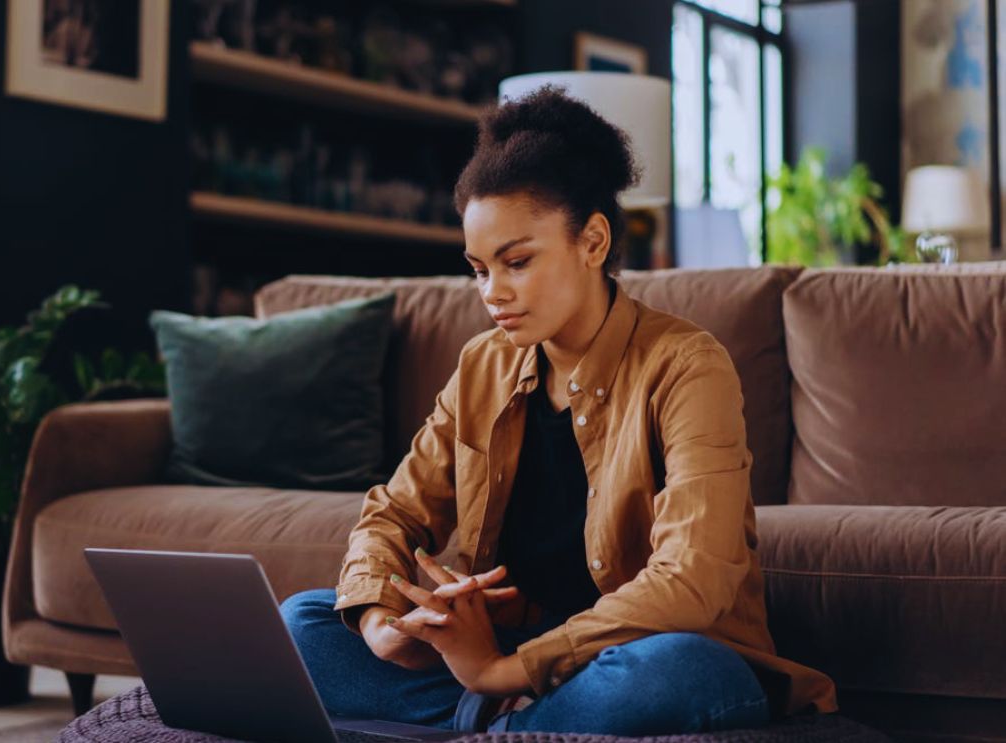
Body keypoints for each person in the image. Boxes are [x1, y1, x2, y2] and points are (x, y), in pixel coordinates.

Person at [279, 86, 837, 734]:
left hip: (636, 652)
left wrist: (496, 669)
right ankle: (517, 723)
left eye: (516, 261)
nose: (493, 292)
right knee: (305, 622)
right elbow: (396, 511)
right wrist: (383, 624)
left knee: (678, 671)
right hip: (514, 654)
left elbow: (692, 581)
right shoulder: (482, 365)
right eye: (479, 269)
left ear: (592, 240)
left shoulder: (686, 364)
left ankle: (487, 712)